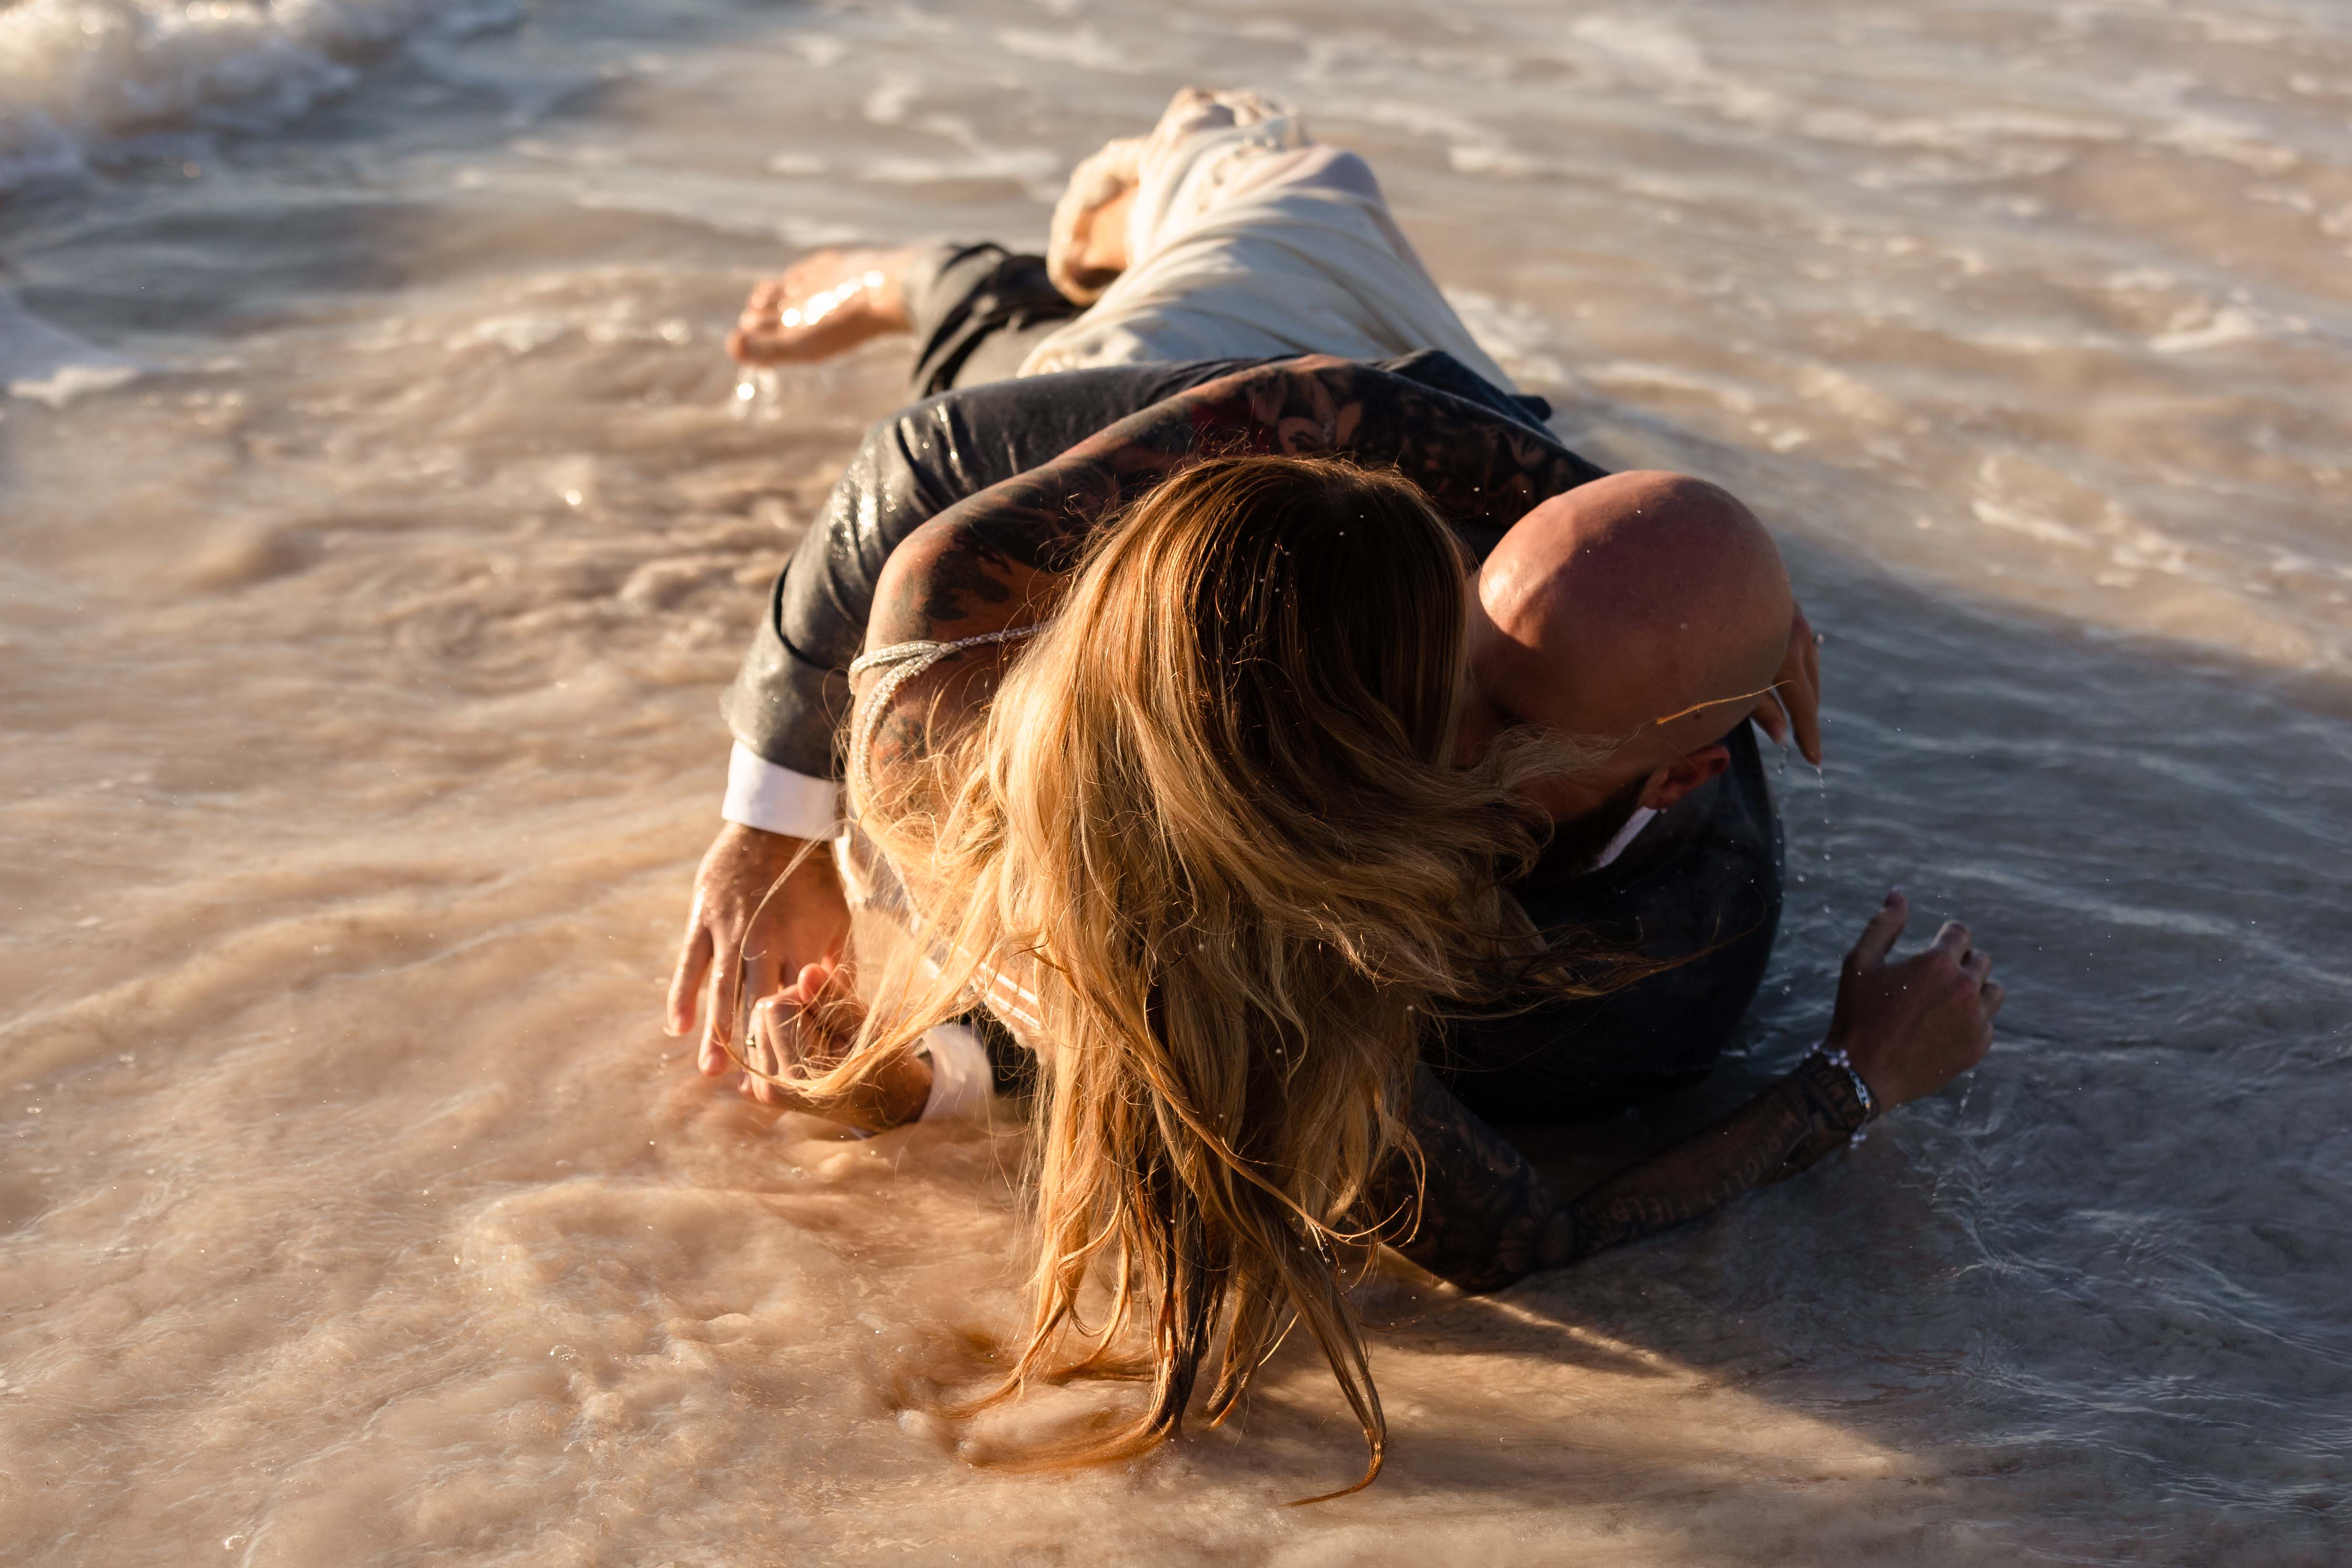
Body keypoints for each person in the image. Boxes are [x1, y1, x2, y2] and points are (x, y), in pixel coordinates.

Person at [661, 91, 2005, 1485]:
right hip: (1305, 429)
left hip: (1349, 442)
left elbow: (1445, 1188)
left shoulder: (1668, 958)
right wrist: (773, 832)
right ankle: (1009, 252)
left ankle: (1009, 270)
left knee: (1157, 300)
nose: (1424, 718)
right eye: (1458, 661)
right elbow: (987, 468)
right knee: (1253, 227)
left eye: (1510, 721)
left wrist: (1851, 1079)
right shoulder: (972, 701)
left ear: (1682, 770)